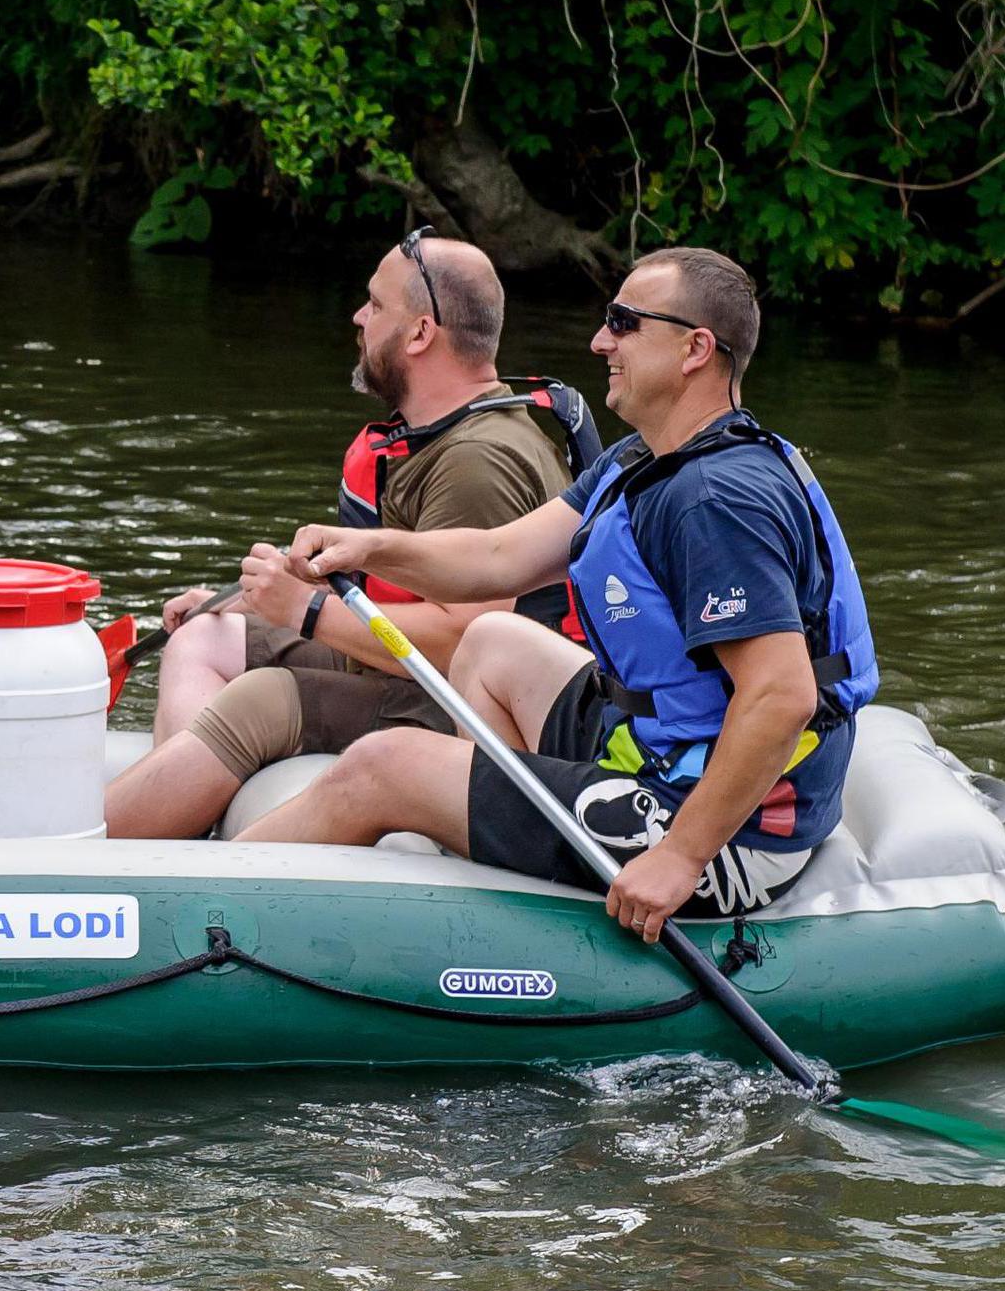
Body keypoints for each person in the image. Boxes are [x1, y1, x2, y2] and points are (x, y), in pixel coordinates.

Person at [241, 246, 878, 939]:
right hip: (661, 747)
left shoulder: (715, 500)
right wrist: (370, 546)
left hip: (727, 830)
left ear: (695, 348)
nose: (600, 340)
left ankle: (201, 896)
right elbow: (499, 555)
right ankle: (516, 865)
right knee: (490, 643)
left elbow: (781, 694)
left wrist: (679, 856)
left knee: (380, 765)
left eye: (624, 323)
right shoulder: (642, 457)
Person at [105, 228, 588, 839]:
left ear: (420, 334)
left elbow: (458, 645)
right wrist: (264, 605)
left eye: (376, 304)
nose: (358, 317)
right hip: (405, 670)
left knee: (266, 700)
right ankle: (183, 811)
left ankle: (95, 865)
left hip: (464, 709)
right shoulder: (433, 435)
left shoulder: (478, 462)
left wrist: (304, 613)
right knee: (207, 632)